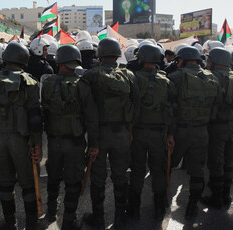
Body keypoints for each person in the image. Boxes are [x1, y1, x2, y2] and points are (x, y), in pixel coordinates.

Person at [41, 45, 99, 229]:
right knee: (73, 183)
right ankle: (68, 220)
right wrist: (93, 144)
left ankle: (50, 212)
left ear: (59, 61)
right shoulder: (82, 85)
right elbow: (91, 118)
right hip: (75, 142)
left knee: (53, 178)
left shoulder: (48, 83)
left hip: (54, 141)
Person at [0, 42, 42, 230]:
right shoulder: (30, 82)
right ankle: (32, 222)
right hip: (21, 139)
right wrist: (37, 145)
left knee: (5, 182)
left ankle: (10, 222)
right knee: (27, 183)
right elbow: (35, 118)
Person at [82, 37, 137, 229]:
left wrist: (91, 139)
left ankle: (98, 219)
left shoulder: (90, 75)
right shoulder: (129, 75)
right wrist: (129, 131)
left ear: (101, 54)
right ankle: (120, 217)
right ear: (116, 54)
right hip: (121, 133)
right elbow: (135, 106)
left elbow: (86, 109)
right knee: (120, 175)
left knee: (97, 178)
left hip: (98, 134)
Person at [168, 46, 220, 220]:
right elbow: (215, 109)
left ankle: (161, 202)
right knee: (197, 171)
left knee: (166, 165)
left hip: (179, 131)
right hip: (202, 131)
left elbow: (169, 110)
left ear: (182, 60)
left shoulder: (175, 77)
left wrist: (169, 133)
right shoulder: (213, 78)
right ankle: (192, 206)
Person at [128, 44, 175, 221]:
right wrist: (170, 135)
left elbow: (129, 108)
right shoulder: (166, 81)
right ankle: (159, 208)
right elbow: (172, 110)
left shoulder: (133, 79)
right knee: (158, 171)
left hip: (138, 132)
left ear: (141, 59)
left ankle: (133, 210)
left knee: (137, 170)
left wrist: (129, 131)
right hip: (159, 134)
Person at [202, 47, 233, 209]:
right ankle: (227, 195)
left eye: (208, 60)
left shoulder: (211, 78)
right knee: (229, 161)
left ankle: (216, 197)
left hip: (216, 126)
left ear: (214, 62)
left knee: (216, 162)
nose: (207, 63)